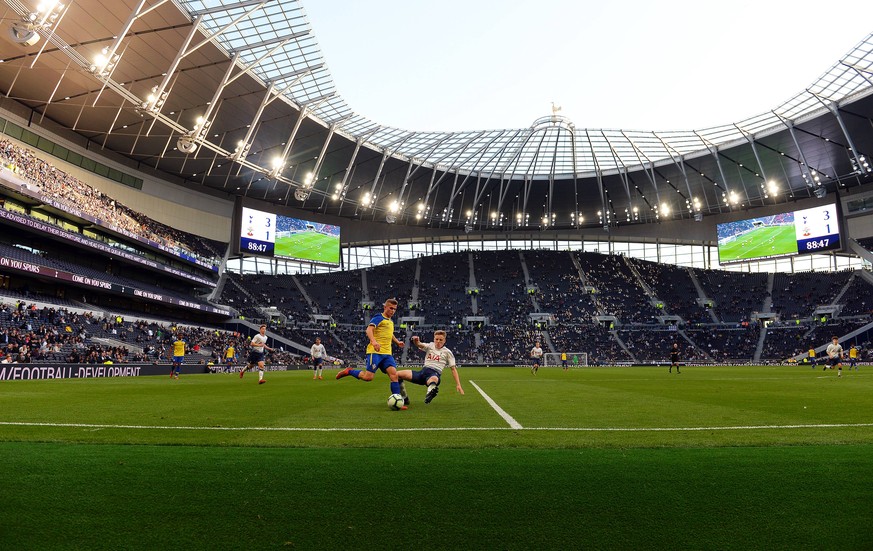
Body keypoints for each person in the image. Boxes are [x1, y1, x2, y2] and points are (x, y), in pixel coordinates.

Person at [336, 298, 406, 408]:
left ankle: (398, 401)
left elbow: (389, 334)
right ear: (385, 307)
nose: (392, 311)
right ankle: (349, 371)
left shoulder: (390, 322)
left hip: (387, 354)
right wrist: (374, 342)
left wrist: (397, 342)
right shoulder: (379, 317)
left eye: (395, 309)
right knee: (368, 377)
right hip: (375, 352)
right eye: (390, 308)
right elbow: (369, 330)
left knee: (394, 376)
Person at [396, 330, 464, 405]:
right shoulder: (430, 346)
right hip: (421, 374)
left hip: (434, 374)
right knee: (397, 375)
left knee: (433, 379)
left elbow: (453, 369)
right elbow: (419, 344)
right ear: (434, 339)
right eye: (436, 339)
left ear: (444, 341)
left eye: (441, 340)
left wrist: (458, 384)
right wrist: (415, 340)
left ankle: (431, 391)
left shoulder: (447, 352)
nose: (438, 341)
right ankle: (405, 398)